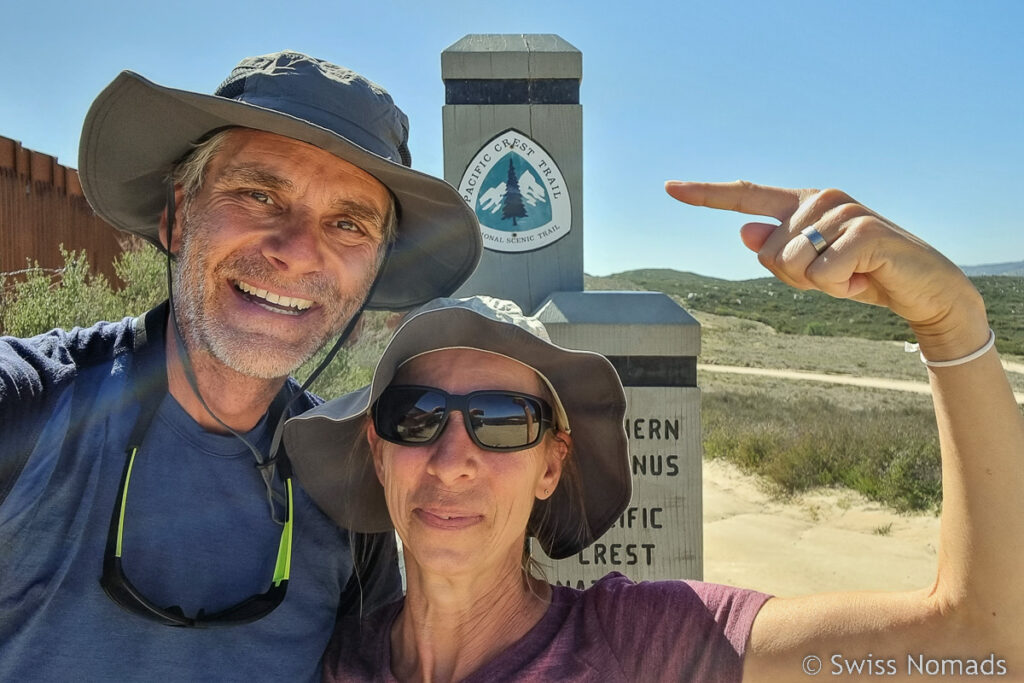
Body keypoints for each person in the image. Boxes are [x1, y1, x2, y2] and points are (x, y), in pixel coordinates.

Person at [283, 181, 1023, 681]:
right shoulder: (333, 656)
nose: (452, 459)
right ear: (379, 452)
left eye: (504, 421)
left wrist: (951, 323)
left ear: (552, 464)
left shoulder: (643, 643)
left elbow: (983, 645)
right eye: (416, 417)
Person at [0, 51, 481, 681]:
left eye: (347, 224)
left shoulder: (350, 488)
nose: (298, 252)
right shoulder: (31, 409)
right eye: (258, 194)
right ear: (177, 215)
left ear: (374, 271)